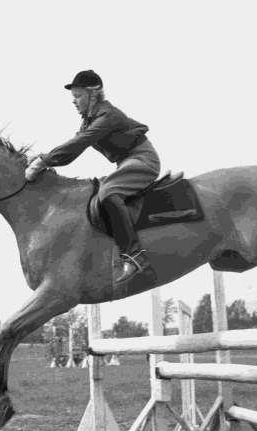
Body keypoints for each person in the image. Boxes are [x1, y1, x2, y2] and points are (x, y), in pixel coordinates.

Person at [25, 70, 161, 282]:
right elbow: (73, 144)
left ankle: (135, 256)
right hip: (126, 162)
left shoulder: (108, 116)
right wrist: (39, 157)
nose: (74, 101)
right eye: (73, 97)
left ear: (93, 94)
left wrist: (43, 161)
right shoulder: (89, 120)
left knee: (107, 194)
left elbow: (78, 144)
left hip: (143, 160)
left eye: (78, 96)